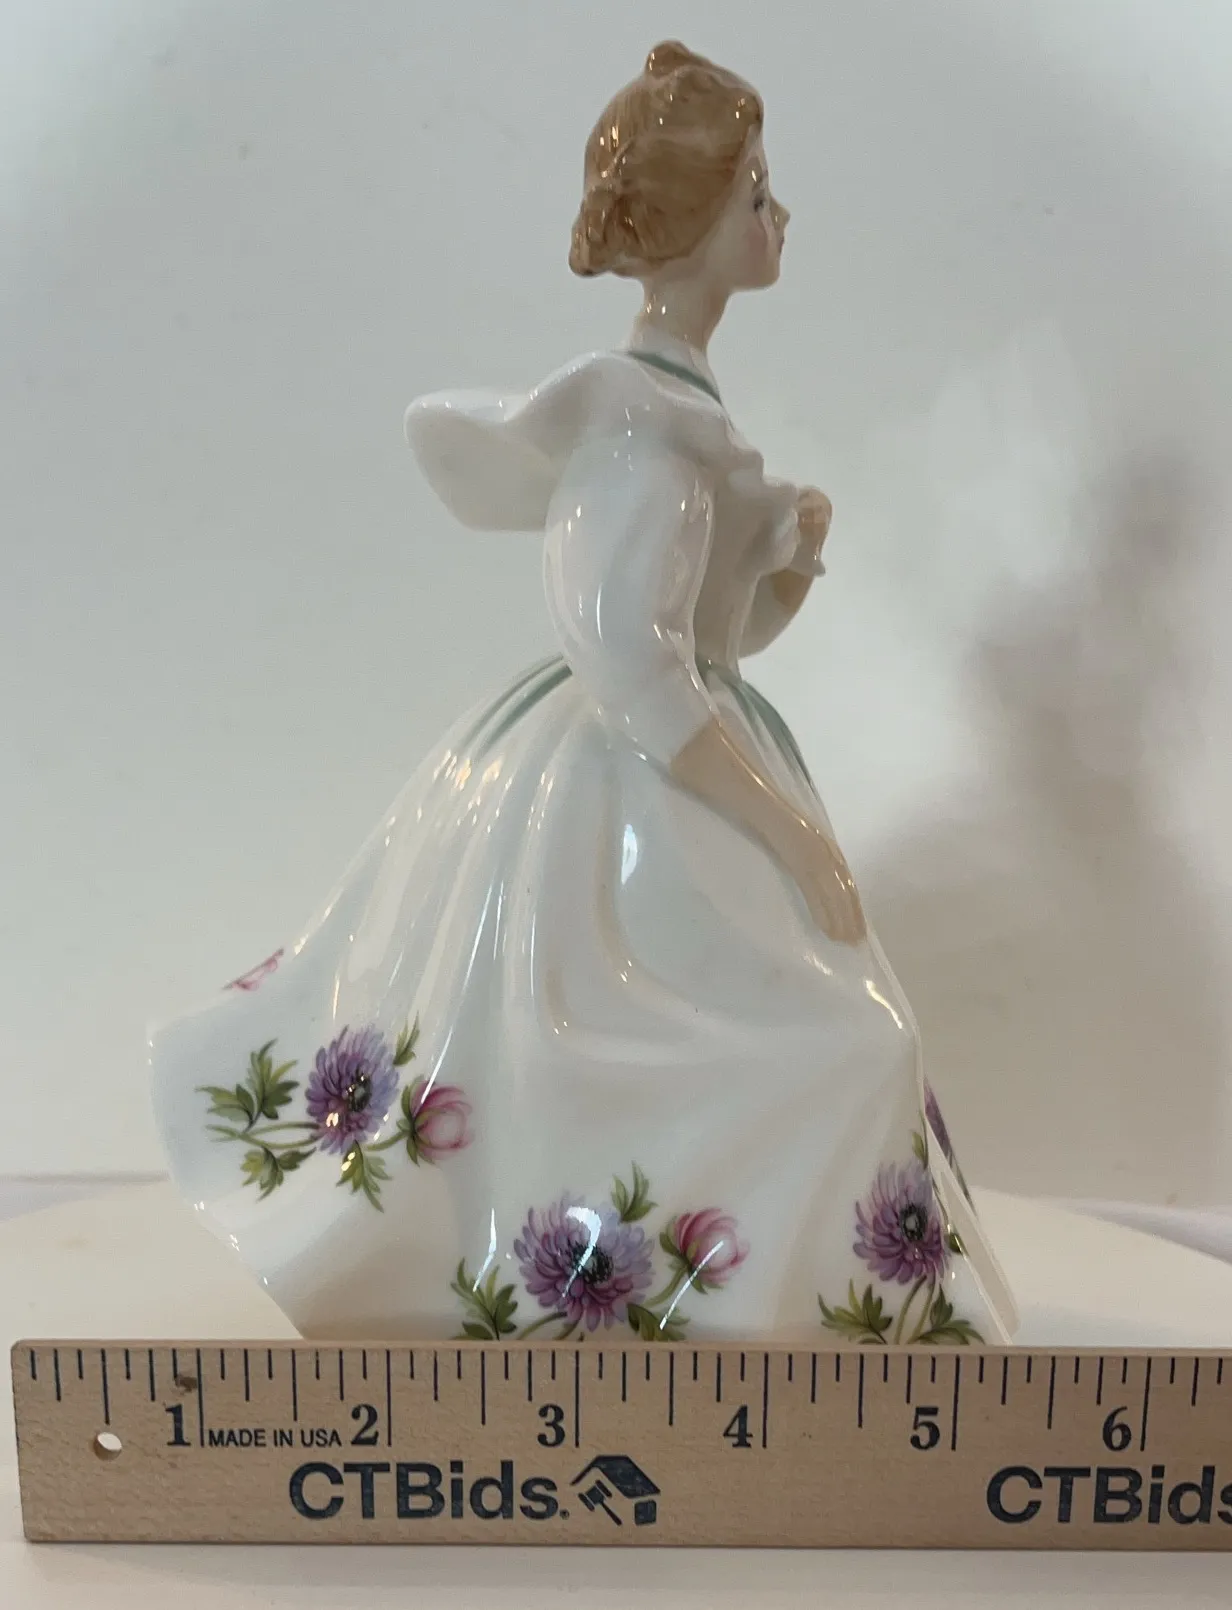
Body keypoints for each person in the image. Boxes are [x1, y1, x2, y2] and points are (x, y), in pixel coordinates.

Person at [151, 42, 1015, 1345]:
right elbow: (632, 658)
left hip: (697, 754)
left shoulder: (687, 420)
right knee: (799, 1039)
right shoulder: (641, 430)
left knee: (807, 1031)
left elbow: (716, 644)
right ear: (699, 224)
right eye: (758, 193)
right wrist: (792, 838)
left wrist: (782, 565)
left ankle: (759, 1300)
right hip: (642, 787)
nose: (779, 216)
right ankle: (697, 1296)